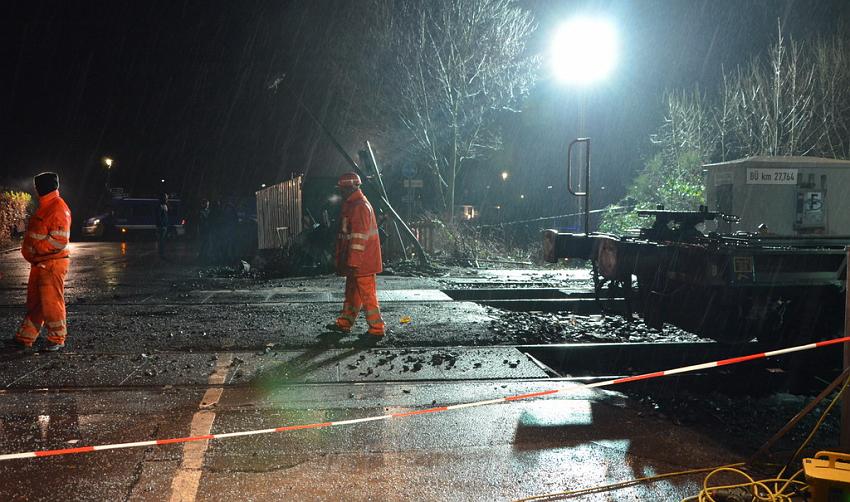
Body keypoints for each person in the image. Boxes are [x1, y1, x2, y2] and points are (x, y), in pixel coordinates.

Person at [12, 172, 71, 351]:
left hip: (51, 264)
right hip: (41, 263)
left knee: (52, 303)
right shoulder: (48, 205)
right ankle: (25, 337)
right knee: (36, 303)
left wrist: (36, 249)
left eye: (36, 187)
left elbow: (60, 240)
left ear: (39, 188)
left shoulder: (57, 207)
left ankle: (56, 339)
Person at [329, 172, 385, 337]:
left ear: (351, 188)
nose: (341, 192)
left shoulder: (359, 206)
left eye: (343, 189)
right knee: (352, 292)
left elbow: (358, 238)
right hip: (358, 260)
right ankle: (345, 323)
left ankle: (377, 329)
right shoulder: (353, 205)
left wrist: (352, 261)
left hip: (362, 262)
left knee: (367, 295)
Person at [156, 193, 169, 259]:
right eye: (166, 198)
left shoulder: (164, 206)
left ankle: (162, 253)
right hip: (162, 226)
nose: (167, 199)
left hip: (164, 226)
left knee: (162, 240)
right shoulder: (160, 206)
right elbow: (159, 217)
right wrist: (162, 225)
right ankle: (161, 254)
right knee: (161, 240)